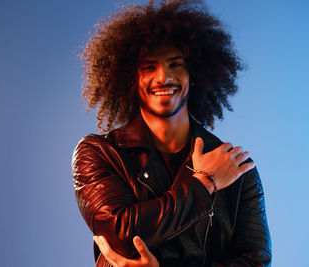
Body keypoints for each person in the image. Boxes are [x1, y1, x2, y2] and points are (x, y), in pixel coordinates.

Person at [72, 0, 271, 266]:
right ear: (131, 78)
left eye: (176, 64)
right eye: (148, 67)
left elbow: (256, 262)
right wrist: (205, 183)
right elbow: (122, 234)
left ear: (195, 73)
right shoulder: (99, 154)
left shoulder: (236, 167)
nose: (163, 76)